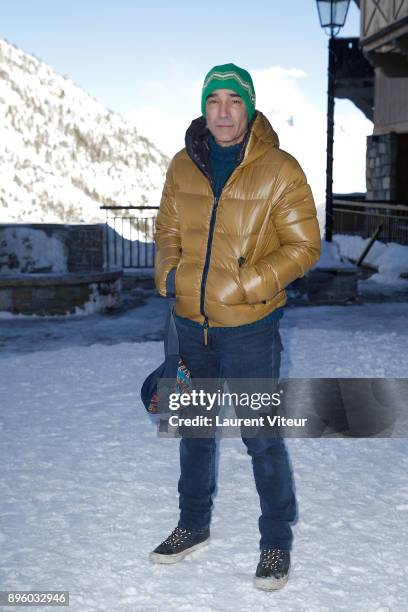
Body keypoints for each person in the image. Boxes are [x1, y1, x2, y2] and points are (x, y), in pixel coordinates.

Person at [149, 63, 321, 591]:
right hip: (189, 325)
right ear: (204, 106)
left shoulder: (280, 169)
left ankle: (275, 541)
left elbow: (304, 247)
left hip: (249, 327)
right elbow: (167, 229)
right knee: (194, 431)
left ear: (248, 107)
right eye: (214, 100)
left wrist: (246, 285)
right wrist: (171, 277)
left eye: (234, 100)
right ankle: (193, 524)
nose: (223, 111)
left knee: (261, 437)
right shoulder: (183, 165)